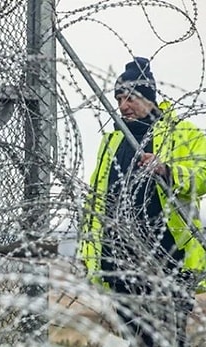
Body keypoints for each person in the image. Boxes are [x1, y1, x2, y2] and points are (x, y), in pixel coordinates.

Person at [79, 57, 206, 346]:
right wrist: (90, 253)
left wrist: (168, 170)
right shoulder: (111, 141)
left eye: (131, 98)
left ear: (150, 99)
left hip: (167, 260)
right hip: (119, 261)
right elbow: (98, 200)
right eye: (119, 98)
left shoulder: (181, 133)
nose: (123, 106)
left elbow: (204, 174)